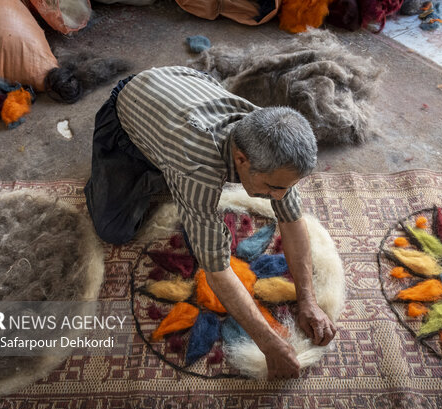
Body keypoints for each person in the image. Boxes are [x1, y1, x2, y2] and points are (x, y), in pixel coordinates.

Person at [85, 66, 336, 379]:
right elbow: (216, 270)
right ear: (242, 160)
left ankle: (164, 166)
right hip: (129, 113)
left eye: (285, 186)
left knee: (190, 196)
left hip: (184, 84)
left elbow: (291, 218)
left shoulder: (273, 136)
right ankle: (152, 167)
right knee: (114, 229)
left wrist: (308, 300)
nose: (279, 196)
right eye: (274, 187)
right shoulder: (198, 169)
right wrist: (268, 342)